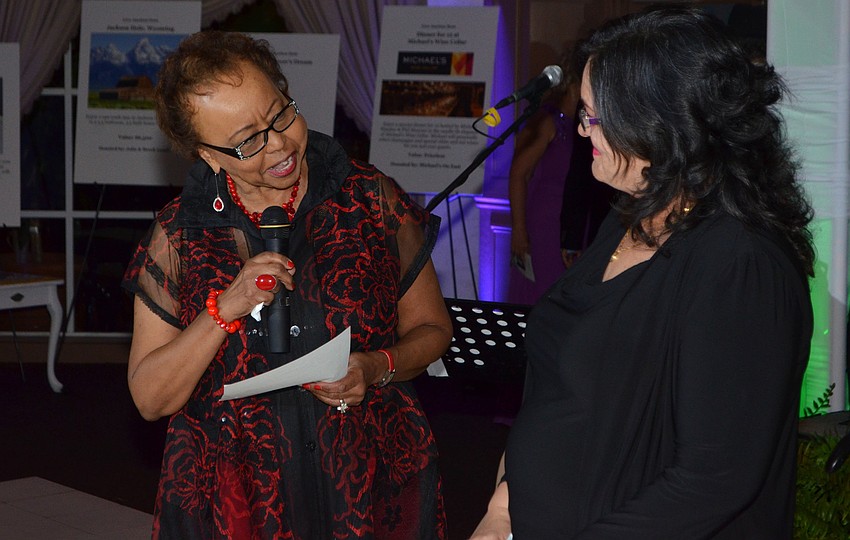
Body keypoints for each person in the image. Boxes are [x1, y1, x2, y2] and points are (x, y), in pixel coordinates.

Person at [472, 7, 814, 539]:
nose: (583, 130)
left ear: (663, 124)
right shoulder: (628, 214)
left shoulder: (741, 265)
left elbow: (715, 479)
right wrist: (502, 507)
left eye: (595, 115)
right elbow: (557, 395)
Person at [122, 30, 453, 539]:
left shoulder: (367, 199)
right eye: (246, 141)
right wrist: (223, 309)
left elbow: (433, 329)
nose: (277, 144)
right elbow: (150, 398)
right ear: (208, 156)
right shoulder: (178, 235)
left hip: (368, 480)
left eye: (280, 115)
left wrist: (376, 366)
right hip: (236, 497)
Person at [506, 55, 579, 305]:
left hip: (568, 222)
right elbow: (518, 173)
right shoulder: (549, 121)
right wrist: (519, 228)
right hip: (545, 225)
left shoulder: (580, 125)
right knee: (544, 297)